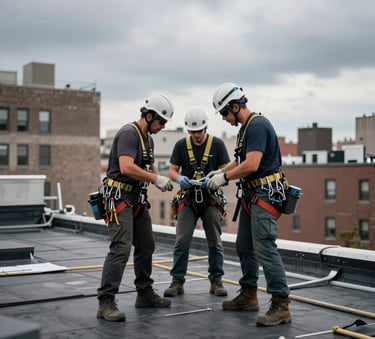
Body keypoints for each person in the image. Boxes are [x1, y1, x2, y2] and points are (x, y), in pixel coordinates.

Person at [207, 83, 291, 327]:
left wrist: (224, 178)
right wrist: (220, 171)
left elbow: (253, 164)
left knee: (264, 246)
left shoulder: (257, 126)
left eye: (225, 113)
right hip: (251, 195)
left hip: (264, 195)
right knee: (244, 245)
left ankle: (281, 304)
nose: (224, 118)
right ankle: (249, 294)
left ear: (235, 106)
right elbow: (240, 161)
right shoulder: (246, 129)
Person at [97, 93, 175, 322]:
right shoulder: (128, 134)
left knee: (146, 244)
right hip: (119, 197)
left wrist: (161, 180)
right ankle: (105, 301)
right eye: (161, 121)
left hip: (136, 199)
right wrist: (154, 179)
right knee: (121, 247)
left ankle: (144, 293)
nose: (163, 126)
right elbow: (127, 167)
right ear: (149, 116)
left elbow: (150, 167)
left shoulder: (147, 140)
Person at [164, 107, 230, 298]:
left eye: (199, 131)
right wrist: (179, 179)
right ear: (188, 131)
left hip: (211, 199)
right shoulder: (181, 145)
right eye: (193, 132)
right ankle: (177, 282)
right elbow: (173, 171)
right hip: (188, 199)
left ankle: (216, 281)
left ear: (205, 128)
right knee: (181, 241)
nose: (197, 135)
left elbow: (226, 170)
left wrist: (216, 176)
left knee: (215, 242)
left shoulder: (217, 144)